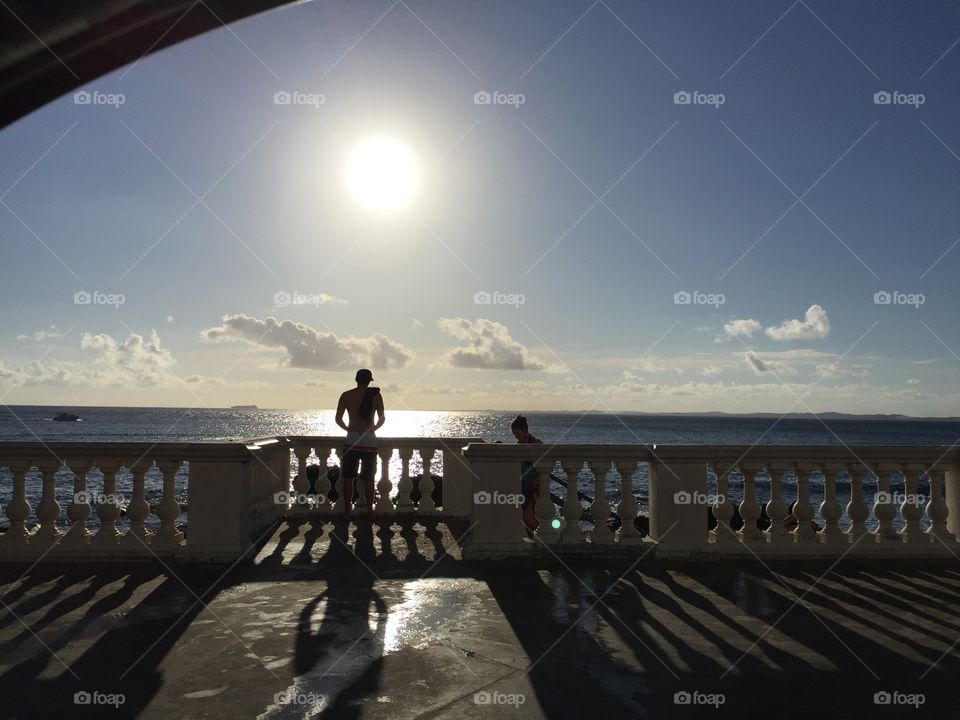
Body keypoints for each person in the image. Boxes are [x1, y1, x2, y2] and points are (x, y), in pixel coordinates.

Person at [335, 369, 385, 521]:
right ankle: (370, 512)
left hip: (351, 440)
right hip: (369, 440)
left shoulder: (346, 395)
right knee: (369, 478)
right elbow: (382, 419)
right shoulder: (375, 395)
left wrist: (349, 430)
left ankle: (347, 512)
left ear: (356, 380)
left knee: (348, 477)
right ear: (369, 380)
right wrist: (372, 430)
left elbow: (338, 419)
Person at [511, 414, 542, 533]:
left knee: (528, 517)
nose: (517, 438)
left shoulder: (537, 445)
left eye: (517, 434)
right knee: (526, 518)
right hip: (522, 487)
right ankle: (536, 537)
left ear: (525, 430)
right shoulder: (518, 447)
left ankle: (545, 535)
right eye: (515, 435)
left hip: (533, 487)